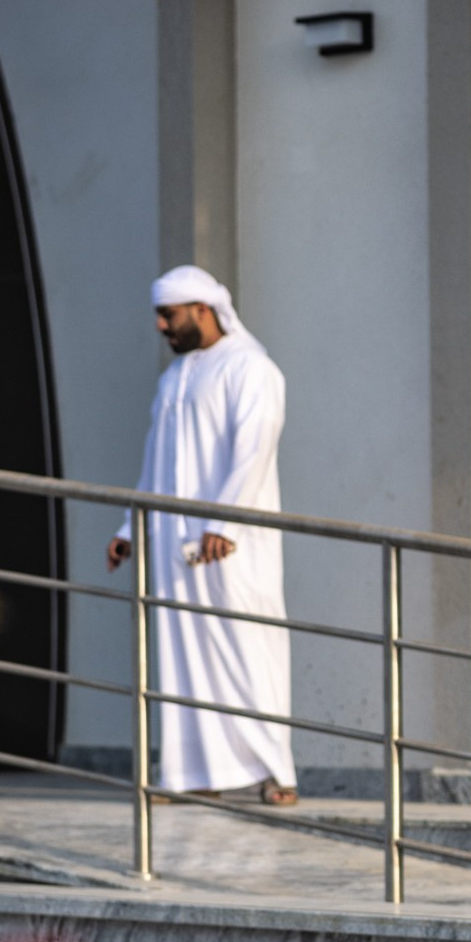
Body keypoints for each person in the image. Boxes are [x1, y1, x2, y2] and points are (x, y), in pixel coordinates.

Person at [105, 265, 297, 806]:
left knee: (248, 650)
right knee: (183, 659)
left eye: (168, 315)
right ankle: (194, 774)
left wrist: (223, 522)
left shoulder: (251, 368)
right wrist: (130, 527)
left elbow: (255, 447)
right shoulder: (174, 378)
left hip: (232, 547)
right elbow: (156, 461)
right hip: (173, 545)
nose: (161, 326)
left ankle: (276, 774)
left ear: (201, 310)